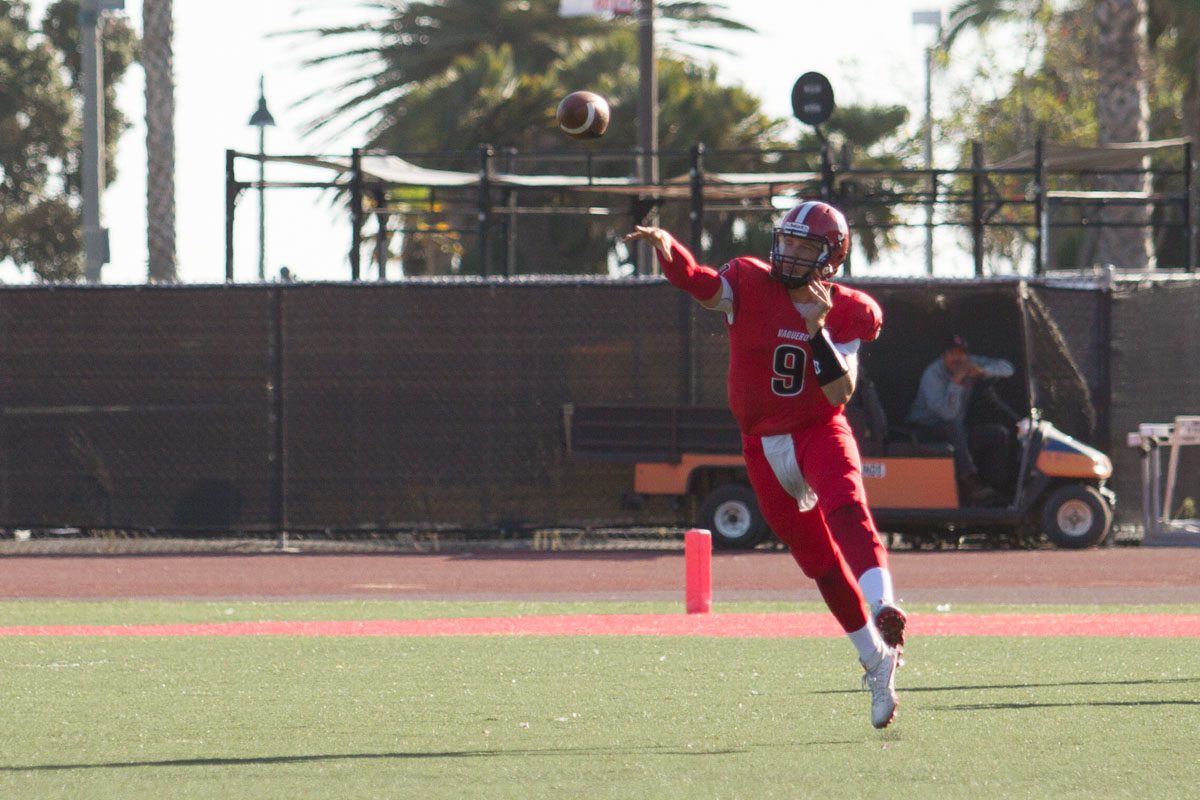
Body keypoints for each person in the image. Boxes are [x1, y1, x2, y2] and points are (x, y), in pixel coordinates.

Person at [624, 200, 902, 729]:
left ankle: (885, 605)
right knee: (814, 557)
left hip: (818, 428)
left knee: (847, 508)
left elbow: (841, 392)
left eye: (805, 246)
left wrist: (815, 329)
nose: (791, 252)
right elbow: (704, 285)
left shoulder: (846, 309)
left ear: (831, 258)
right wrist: (670, 251)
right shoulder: (750, 280)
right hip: (761, 441)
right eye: (788, 241)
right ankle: (874, 659)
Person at [905, 334, 1015, 504]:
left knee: (998, 434)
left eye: (961, 353)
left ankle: (995, 489)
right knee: (954, 426)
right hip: (926, 428)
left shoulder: (970, 363)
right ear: (944, 356)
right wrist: (956, 381)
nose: (957, 358)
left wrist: (983, 371)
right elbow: (947, 414)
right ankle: (969, 482)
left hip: (957, 429)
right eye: (952, 354)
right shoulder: (932, 375)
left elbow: (1008, 368)